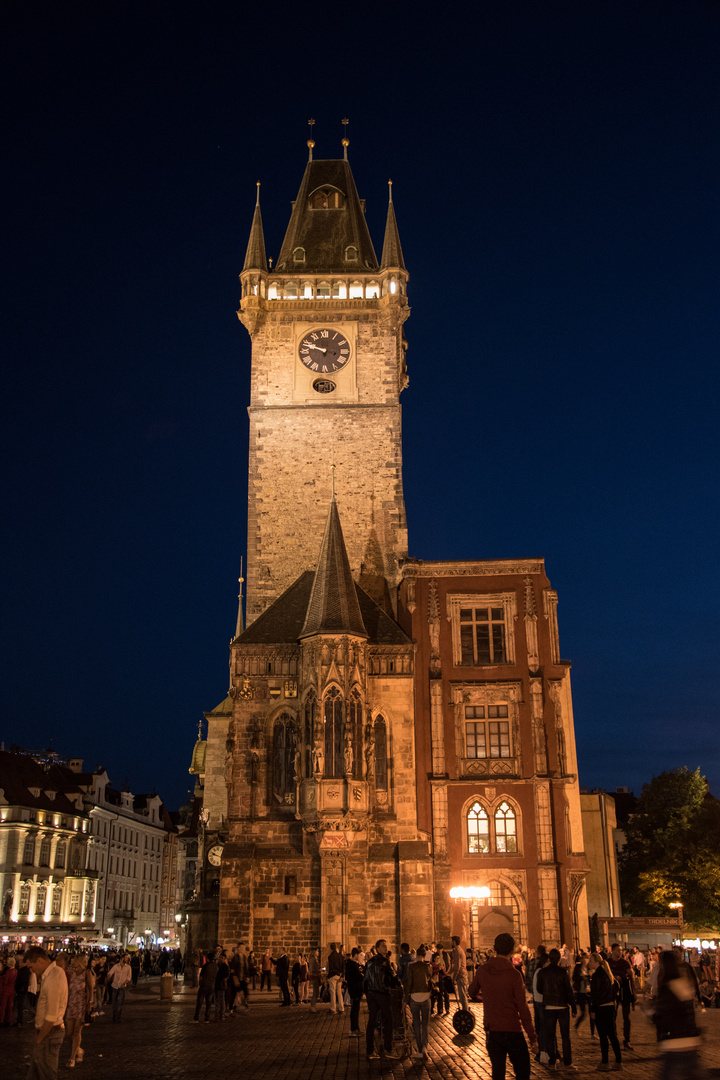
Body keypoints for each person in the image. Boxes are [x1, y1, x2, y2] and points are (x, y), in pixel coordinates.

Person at [468, 933, 538, 1080]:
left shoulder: (483, 970)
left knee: (498, 1073)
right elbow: (523, 1008)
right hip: (513, 1031)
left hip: (493, 1032)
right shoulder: (514, 975)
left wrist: (483, 992)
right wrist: (533, 1038)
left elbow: (471, 991)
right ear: (512, 951)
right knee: (523, 1072)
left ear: (494, 948)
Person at [649, 950, 702, 1078]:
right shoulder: (682, 983)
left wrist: (650, 1012)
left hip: (675, 1043)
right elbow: (689, 1012)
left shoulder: (667, 988)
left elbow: (663, 1017)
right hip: (691, 1041)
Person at [24, 945, 68, 1080]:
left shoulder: (53, 977)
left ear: (40, 961)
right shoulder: (53, 974)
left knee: (46, 1074)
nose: (31, 971)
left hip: (49, 1034)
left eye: (31, 967)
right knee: (35, 1074)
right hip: (47, 1033)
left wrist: (39, 1038)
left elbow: (51, 1015)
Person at [536, 947, 577, 1071]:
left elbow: (539, 989)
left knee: (550, 1035)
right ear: (559, 959)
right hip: (562, 1006)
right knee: (565, 1036)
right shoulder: (562, 972)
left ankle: (552, 1061)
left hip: (548, 1006)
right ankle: (567, 1063)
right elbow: (568, 990)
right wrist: (573, 1006)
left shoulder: (543, 972)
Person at [363, 939, 398, 1061]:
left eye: (386, 946)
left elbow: (365, 979)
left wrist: (368, 993)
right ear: (377, 949)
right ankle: (388, 1048)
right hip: (382, 993)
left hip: (371, 994)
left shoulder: (369, 962)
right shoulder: (385, 962)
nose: (386, 948)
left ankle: (370, 1050)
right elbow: (392, 979)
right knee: (388, 1020)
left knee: (372, 1022)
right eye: (383, 946)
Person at [589, 951, 622, 1072]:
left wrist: (593, 1010)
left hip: (601, 1008)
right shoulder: (606, 973)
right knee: (612, 1034)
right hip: (609, 1006)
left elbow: (596, 994)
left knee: (604, 1036)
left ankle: (605, 1061)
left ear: (597, 962)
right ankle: (617, 1060)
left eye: (591, 961)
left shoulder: (598, 975)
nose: (589, 963)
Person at [404, 944, 433, 1060]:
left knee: (416, 1023)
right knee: (425, 1024)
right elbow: (430, 980)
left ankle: (420, 1049)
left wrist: (406, 997)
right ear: (424, 956)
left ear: (416, 955)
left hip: (414, 997)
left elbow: (409, 983)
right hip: (426, 997)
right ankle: (425, 1047)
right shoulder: (428, 967)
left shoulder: (411, 967)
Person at [64, 955, 91, 1067]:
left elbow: (90, 988)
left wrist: (90, 1004)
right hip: (71, 1004)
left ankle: (72, 1058)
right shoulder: (72, 973)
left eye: (74, 960)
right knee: (68, 1032)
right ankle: (78, 1049)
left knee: (76, 1032)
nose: (72, 962)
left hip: (81, 1005)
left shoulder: (86, 973)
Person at [608, 943, 635, 1050]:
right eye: (618, 950)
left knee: (626, 1017)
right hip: (613, 992)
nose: (620, 952)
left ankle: (627, 1039)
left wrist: (634, 992)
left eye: (621, 950)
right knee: (612, 1016)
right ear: (612, 951)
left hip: (625, 991)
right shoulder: (608, 963)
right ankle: (613, 1038)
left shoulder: (625, 962)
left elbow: (631, 975)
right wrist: (614, 977)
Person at [572, 953, 595, 1037]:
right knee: (583, 1013)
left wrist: (589, 978)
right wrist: (582, 978)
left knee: (592, 1013)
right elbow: (574, 978)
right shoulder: (578, 967)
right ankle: (576, 1026)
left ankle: (593, 1033)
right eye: (584, 959)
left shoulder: (590, 968)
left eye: (587, 959)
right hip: (581, 992)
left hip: (589, 992)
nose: (585, 960)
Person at [106, 952, 132, 1023]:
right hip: (114, 986)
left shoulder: (128, 967)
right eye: (126, 958)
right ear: (122, 958)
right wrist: (109, 977)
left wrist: (124, 983)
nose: (127, 959)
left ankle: (117, 1018)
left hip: (122, 987)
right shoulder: (116, 966)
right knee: (114, 1003)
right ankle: (114, 1017)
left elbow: (129, 978)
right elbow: (110, 973)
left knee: (120, 1003)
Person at [192, 953, 218, 1023]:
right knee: (208, 1003)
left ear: (208, 958)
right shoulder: (216, 966)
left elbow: (201, 975)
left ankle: (196, 1018)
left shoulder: (206, 965)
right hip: (211, 985)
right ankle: (206, 1018)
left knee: (199, 1002)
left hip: (204, 985)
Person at [345, 947, 364, 1035]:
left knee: (356, 1009)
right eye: (359, 955)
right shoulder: (352, 965)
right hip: (355, 990)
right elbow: (359, 977)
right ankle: (354, 1029)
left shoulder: (351, 964)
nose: (360, 956)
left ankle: (356, 1028)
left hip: (354, 989)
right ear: (355, 955)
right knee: (355, 1010)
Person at [450, 935, 469, 1011]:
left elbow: (457, 967)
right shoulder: (459, 950)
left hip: (461, 976)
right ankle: (465, 1010)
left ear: (454, 942)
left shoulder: (458, 951)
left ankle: (465, 1011)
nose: (451, 943)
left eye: (452, 941)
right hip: (462, 975)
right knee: (462, 995)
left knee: (462, 996)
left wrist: (454, 978)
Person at [327, 942, 345, 1014]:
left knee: (333, 993)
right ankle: (341, 1008)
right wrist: (342, 975)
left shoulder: (330, 957)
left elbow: (331, 968)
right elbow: (343, 966)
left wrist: (328, 976)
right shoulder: (340, 956)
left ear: (331, 948)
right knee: (339, 992)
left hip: (333, 975)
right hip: (339, 976)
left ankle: (333, 1009)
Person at [14, 954, 32, 1027]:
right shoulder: (24, 970)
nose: (19, 964)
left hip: (21, 991)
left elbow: (21, 981)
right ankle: (19, 1020)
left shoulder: (24, 971)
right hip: (22, 990)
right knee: (19, 1006)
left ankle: (19, 1021)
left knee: (20, 1006)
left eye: (20, 962)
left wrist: (17, 989)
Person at [1, 956, 18, 1025]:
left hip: (6, 990)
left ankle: (1, 1019)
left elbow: (6, 982)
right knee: (10, 1006)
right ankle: (9, 1019)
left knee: (3, 1006)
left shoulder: (8, 971)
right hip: (12, 989)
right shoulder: (16, 971)